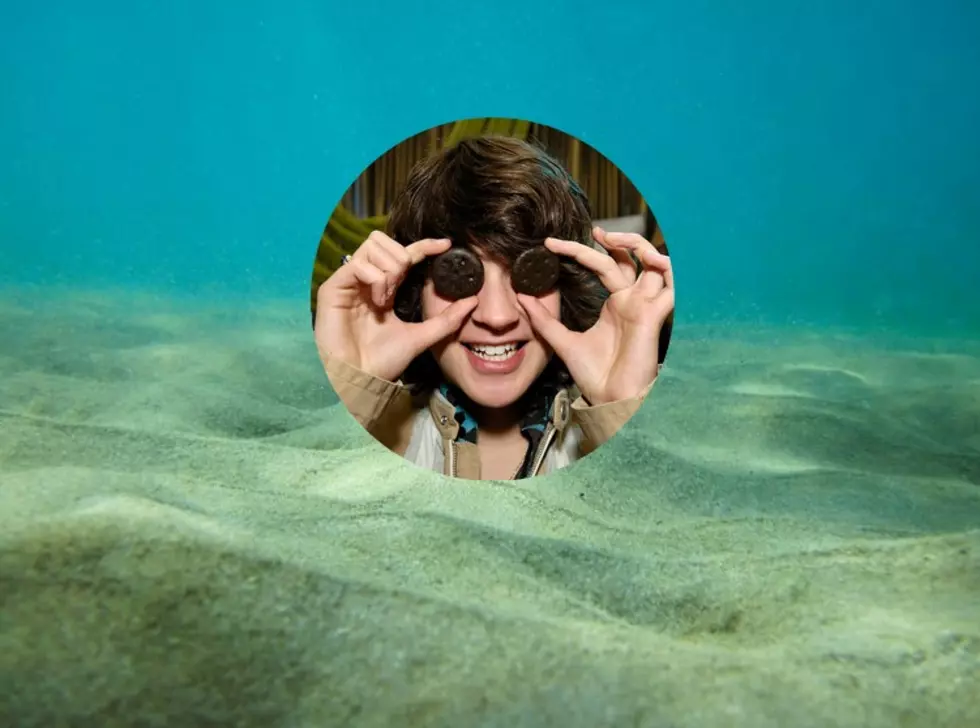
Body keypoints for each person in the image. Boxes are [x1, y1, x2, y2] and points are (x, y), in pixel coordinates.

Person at [313, 136, 674, 480]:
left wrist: (623, 411)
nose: (497, 317)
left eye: (528, 275)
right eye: (460, 276)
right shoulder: (378, 440)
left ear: (565, 291)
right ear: (415, 292)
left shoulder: (608, 430)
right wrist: (345, 394)